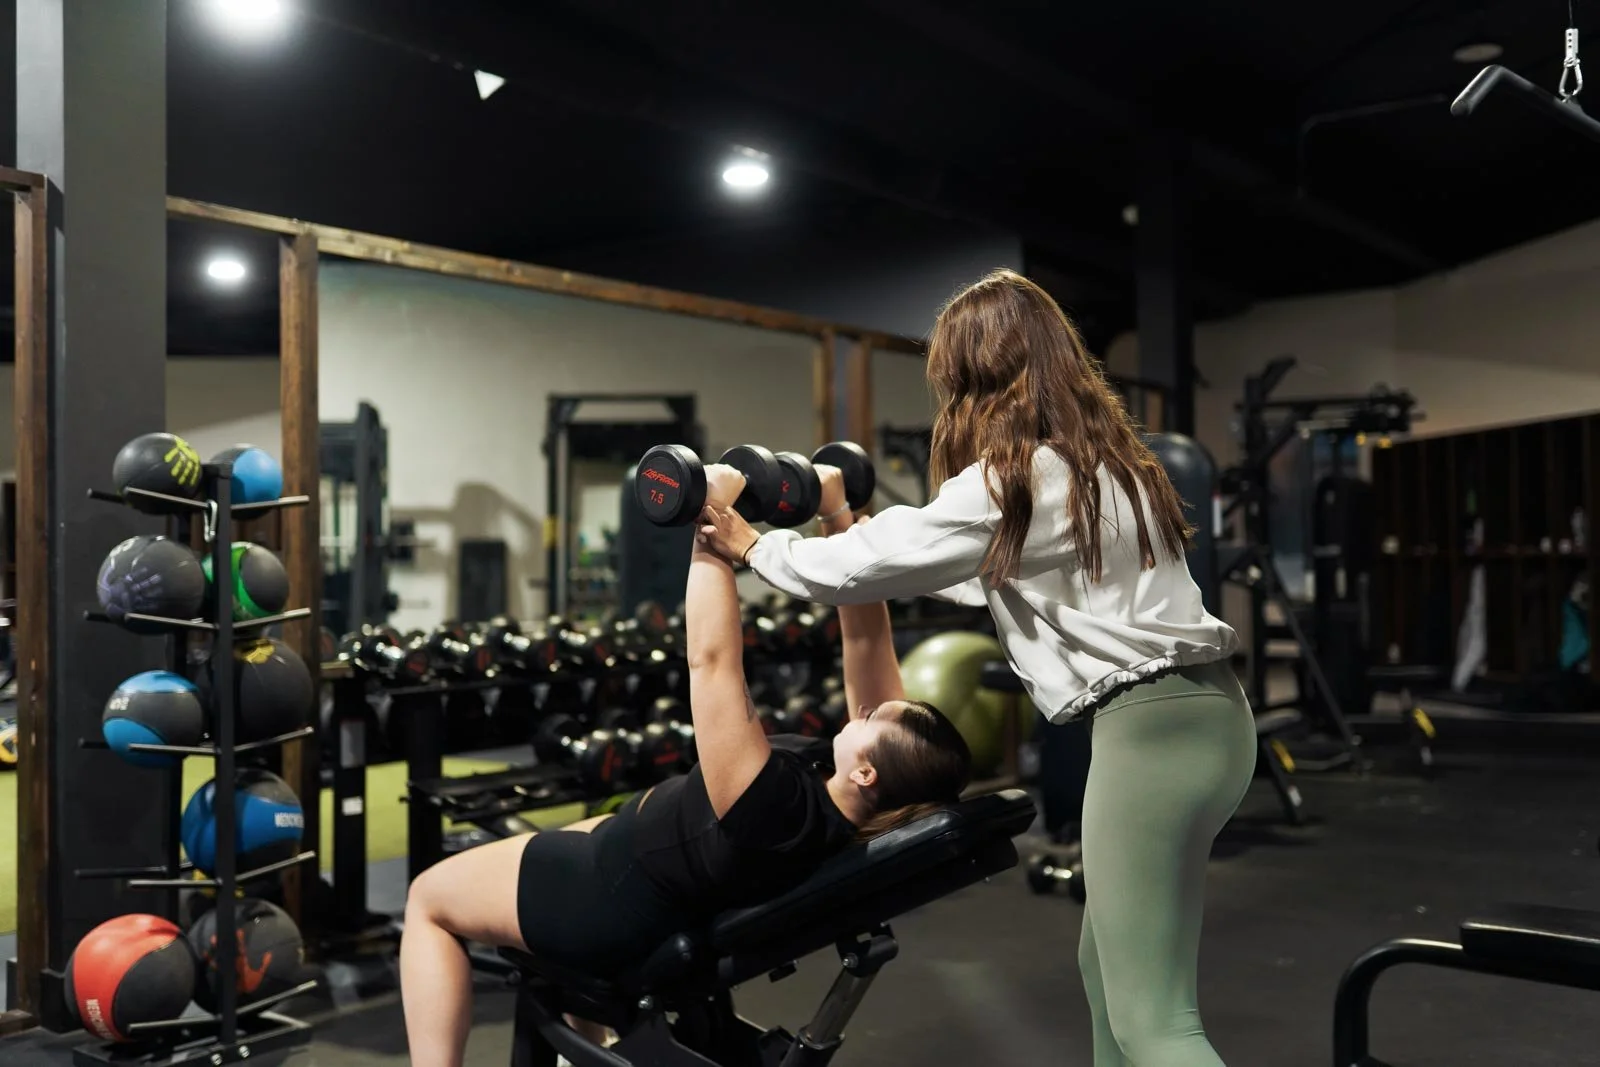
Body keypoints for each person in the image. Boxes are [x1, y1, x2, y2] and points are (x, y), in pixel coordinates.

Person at [697, 269, 1253, 1067]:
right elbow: (935, 564)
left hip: (1153, 738)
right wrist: (841, 516)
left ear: (975, 375)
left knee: (1155, 1021)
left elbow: (865, 569)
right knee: (1110, 973)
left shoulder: (1017, 476)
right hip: (1216, 722)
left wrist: (752, 545)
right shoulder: (1110, 464)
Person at [399, 466, 973, 1067]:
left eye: (876, 716)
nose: (868, 706)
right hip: (632, 859)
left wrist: (711, 524)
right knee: (553, 958)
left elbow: (712, 661)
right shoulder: (851, 810)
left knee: (428, 902)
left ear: (866, 774)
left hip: (610, 895)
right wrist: (836, 513)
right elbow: (864, 646)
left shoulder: (778, 809)